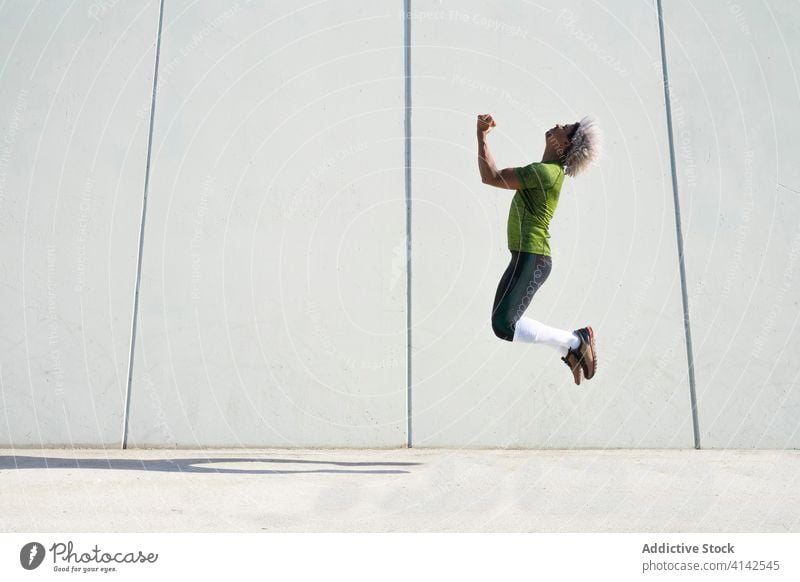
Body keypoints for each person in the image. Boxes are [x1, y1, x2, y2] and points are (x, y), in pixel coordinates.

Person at [477, 113, 602, 385]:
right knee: (501, 324)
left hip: (532, 257)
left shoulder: (545, 173)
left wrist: (481, 136)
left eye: (566, 129)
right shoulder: (547, 171)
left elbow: (492, 176)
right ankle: (569, 348)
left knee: (505, 324)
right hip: (526, 257)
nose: (559, 125)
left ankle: (575, 340)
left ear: (568, 145)